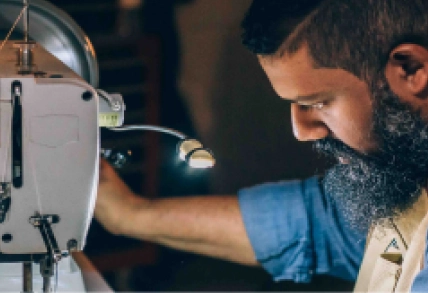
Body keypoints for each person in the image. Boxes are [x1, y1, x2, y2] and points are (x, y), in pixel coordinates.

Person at [96, 0, 428, 291]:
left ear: (411, 69)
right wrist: (128, 214)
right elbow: (313, 222)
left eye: (319, 102)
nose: (301, 130)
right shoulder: (406, 184)